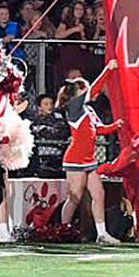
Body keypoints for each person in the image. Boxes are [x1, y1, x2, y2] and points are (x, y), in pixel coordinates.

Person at [57, 61, 123, 244]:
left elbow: (98, 130)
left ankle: (102, 233)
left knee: (99, 194)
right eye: (84, 89)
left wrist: (115, 126)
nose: (89, 92)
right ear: (78, 93)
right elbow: (95, 88)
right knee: (75, 196)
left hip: (89, 160)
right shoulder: (74, 107)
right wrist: (108, 70)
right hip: (75, 159)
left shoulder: (89, 110)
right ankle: (63, 230)